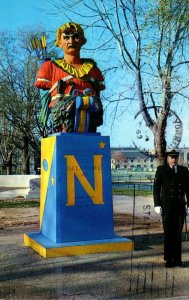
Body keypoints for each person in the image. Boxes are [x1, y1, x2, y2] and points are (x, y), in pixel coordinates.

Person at [34, 22, 105, 134]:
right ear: (60, 43)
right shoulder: (49, 67)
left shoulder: (93, 69)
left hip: (91, 121)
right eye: (66, 37)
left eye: (76, 37)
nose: (71, 41)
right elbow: (44, 95)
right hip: (61, 122)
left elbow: (98, 93)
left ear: (82, 41)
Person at [153, 149, 189, 268]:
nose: (173, 160)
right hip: (167, 207)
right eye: (171, 157)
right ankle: (169, 259)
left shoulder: (184, 170)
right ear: (167, 158)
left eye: (175, 158)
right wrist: (157, 204)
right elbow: (156, 189)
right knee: (169, 233)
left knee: (178, 234)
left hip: (179, 207)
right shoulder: (161, 170)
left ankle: (178, 259)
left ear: (177, 158)